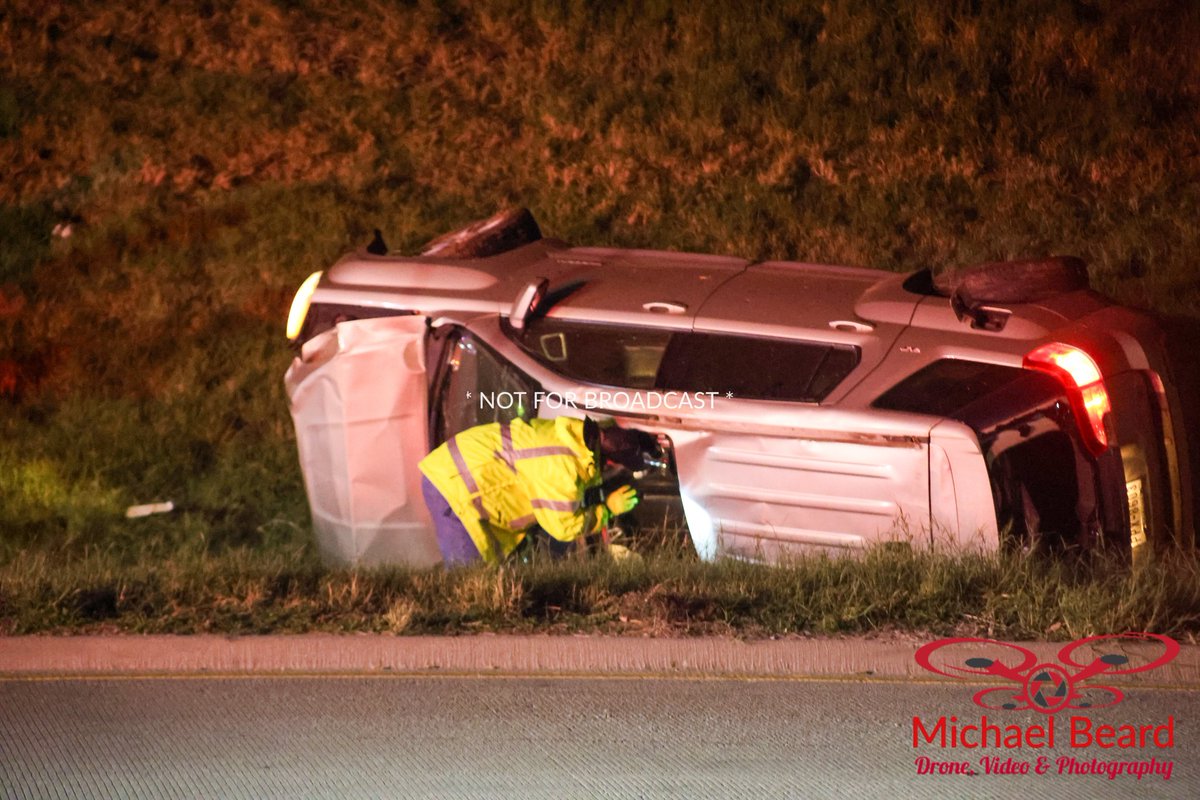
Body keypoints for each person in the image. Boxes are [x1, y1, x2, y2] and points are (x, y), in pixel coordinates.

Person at [418, 417, 644, 565]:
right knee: (469, 581)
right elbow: (564, 527)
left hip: (458, 476)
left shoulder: (572, 438)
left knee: (486, 574)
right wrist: (607, 509)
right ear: (609, 461)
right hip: (455, 486)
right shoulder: (563, 466)